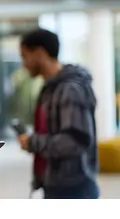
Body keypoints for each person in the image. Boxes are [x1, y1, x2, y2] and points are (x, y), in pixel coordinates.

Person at [17, 28, 99, 199]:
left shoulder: (70, 89)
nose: (23, 63)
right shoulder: (49, 89)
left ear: (39, 53)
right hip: (54, 184)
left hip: (74, 190)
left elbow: (75, 141)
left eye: (25, 56)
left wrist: (34, 142)